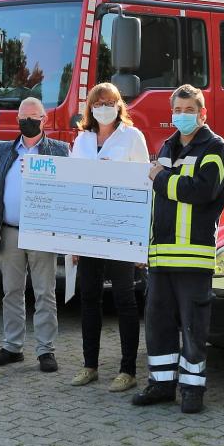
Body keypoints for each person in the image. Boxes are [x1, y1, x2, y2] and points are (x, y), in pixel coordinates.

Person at [132, 84, 224, 414]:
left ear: (203, 114)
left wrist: (161, 178)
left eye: (190, 111)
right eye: (178, 110)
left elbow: (201, 190)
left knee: (193, 327)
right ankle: (161, 384)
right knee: (158, 324)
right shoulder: (166, 146)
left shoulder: (215, 148)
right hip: (160, 256)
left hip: (193, 256)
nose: (183, 116)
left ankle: (192, 389)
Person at [0, 97, 69, 372]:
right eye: (22, 117)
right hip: (9, 232)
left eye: (33, 117)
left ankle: (45, 350)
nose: (26, 122)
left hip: (42, 233)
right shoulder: (3, 150)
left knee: (44, 293)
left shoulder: (60, 151)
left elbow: (69, 194)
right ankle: (12, 346)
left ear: (45, 120)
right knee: (11, 292)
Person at [69, 82, 149, 393]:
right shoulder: (82, 139)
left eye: (110, 101)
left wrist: (141, 242)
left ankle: (127, 370)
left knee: (125, 300)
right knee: (89, 299)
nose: (103, 106)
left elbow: (145, 186)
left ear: (119, 105)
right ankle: (90, 365)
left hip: (121, 231)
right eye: (98, 102)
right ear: (90, 107)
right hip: (88, 231)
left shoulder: (132, 137)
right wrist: (73, 239)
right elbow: (73, 187)